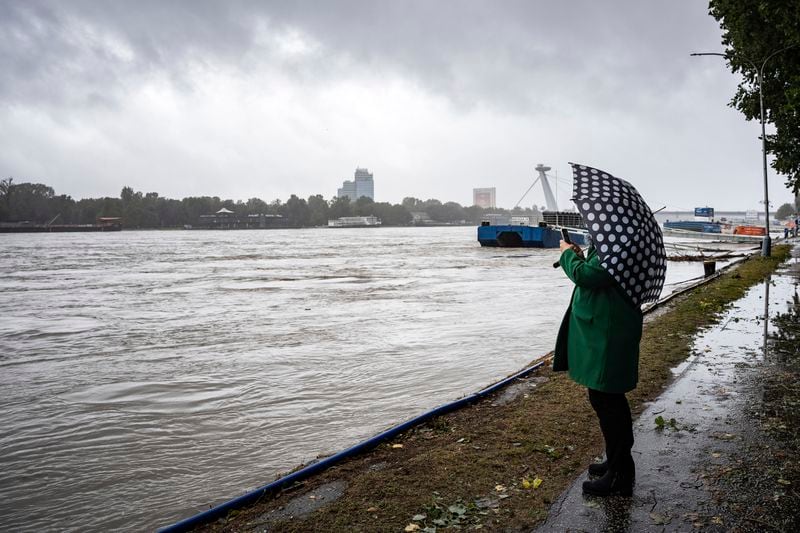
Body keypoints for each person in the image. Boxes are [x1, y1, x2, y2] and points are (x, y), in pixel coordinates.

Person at [553, 239, 643, 497]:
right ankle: (618, 462)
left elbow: (588, 275)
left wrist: (568, 256)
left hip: (608, 332)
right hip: (608, 328)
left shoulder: (617, 244)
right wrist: (581, 255)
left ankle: (620, 475)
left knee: (607, 399)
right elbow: (596, 269)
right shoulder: (615, 242)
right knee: (608, 398)